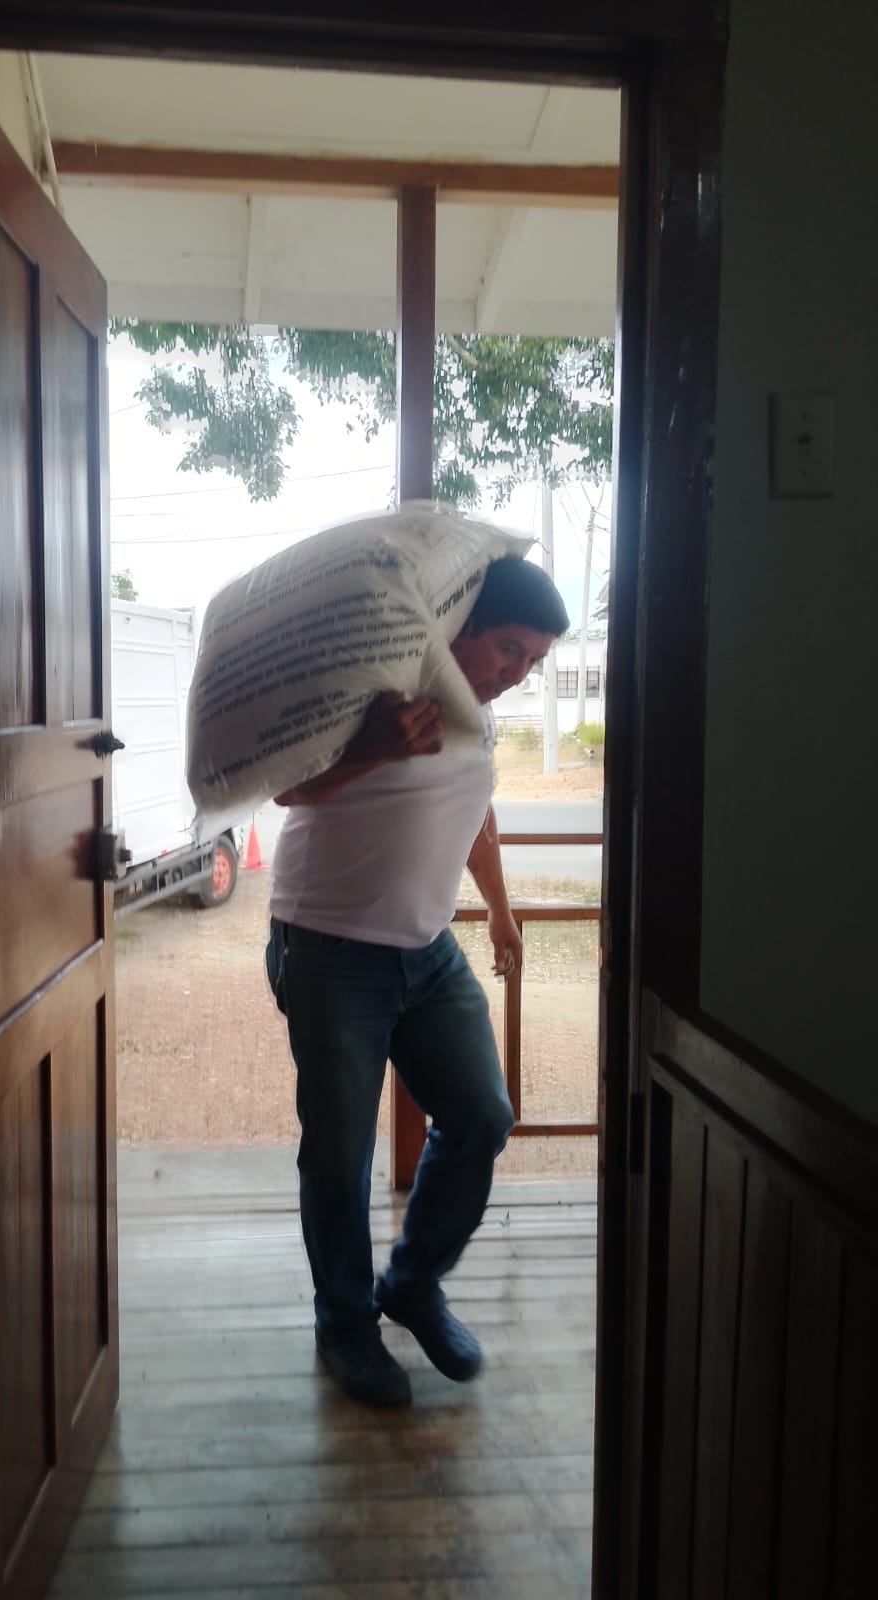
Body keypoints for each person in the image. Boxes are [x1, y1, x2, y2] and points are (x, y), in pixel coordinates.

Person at [265, 554, 570, 1405]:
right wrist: (370, 747)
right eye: (509, 649)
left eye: (533, 661)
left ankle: (412, 1282)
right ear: (463, 627)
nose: (516, 673)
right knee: (339, 1155)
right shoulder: (377, 684)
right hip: (329, 948)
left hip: (427, 951)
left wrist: (500, 910)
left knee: (481, 1116)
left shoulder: (480, 714)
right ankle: (345, 1322)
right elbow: (286, 786)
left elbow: (475, 812)